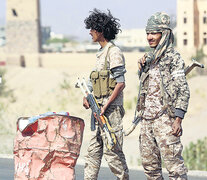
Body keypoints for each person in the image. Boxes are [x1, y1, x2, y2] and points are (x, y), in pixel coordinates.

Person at [137, 12, 190, 180]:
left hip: (165, 120)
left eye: (154, 33)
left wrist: (178, 119)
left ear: (164, 33)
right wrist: (141, 68)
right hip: (147, 120)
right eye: (148, 33)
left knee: (175, 170)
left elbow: (183, 90)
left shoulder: (173, 58)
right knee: (150, 169)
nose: (149, 37)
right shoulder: (149, 59)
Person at [83, 9, 129, 180]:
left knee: (113, 153)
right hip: (99, 110)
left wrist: (106, 105)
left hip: (110, 112)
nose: (90, 32)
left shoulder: (113, 52)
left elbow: (120, 83)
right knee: (93, 153)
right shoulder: (100, 53)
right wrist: (87, 97)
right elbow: (93, 80)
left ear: (101, 30)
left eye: (92, 29)